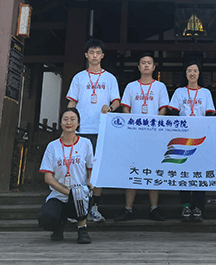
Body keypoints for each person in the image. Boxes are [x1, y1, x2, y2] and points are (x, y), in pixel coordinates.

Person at [66, 39, 120, 222]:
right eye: (91, 52)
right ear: (86, 55)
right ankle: (78, 208)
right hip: (81, 130)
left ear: (102, 56)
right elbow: (72, 102)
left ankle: (94, 208)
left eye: (98, 52)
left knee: (97, 170)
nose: (95, 56)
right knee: (79, 169)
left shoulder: (110, 78)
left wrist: (110, 108)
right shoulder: (79, 78)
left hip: (101, 129)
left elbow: (116, 101)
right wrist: (68, 124)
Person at [115, 53, 170, 222]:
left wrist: (154, 127)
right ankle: (128, 208)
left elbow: (163, 109)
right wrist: (134, 126)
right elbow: (125, 108)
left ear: (154, 67)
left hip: (154, 135)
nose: (146, 65)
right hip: (135, 135)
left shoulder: (160, 87)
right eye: (143, 63)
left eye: (149, 63)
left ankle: (154, 208)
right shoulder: (131, 86)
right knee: (133, 169)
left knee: (153, 170)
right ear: (139, 67)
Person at [168, 61, 216, 222]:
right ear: (185, 74)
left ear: (199, 73)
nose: (192, 74)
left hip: (200, 139)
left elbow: (210, 114)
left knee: (200, 173)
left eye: (195, 71)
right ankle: (186, 206)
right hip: (183, 139)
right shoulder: (179, 92)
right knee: (184, 171)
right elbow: (174, 113)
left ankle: (198, 207)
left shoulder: (205, 93)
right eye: (189, 71)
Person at [38, 108, 94, 244]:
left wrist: (89, 181)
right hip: (59, 194)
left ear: (78, 123)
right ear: (61, 122)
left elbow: (91, 167)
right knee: (46, 216)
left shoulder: (85, 143)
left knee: (78, 194)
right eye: (65, 119)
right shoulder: (52, 146)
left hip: (80, 193)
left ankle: (82, 228)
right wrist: (67, 192)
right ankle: (58, 226)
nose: (69, 122)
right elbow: (48, 177)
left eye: (72, 119)